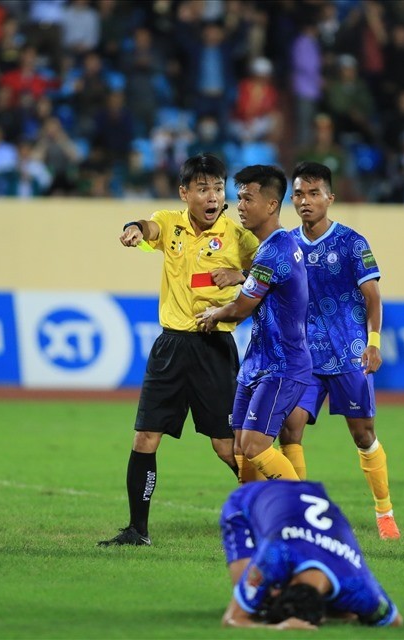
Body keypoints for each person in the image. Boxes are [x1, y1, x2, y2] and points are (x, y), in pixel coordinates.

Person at [98, 154, 259, 547]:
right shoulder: (170, 223)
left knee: (227, 446)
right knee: (145, 438)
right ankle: (138, 529)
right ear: (184, 193)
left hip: (215, 348)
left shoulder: (238, 237)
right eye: (203, 188)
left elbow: (276, 273)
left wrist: (241, 275)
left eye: (218, 188)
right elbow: (147, 226)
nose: (213, 196)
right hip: (171, 346)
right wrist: (132, 229)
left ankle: (267, 516)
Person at [278, 161, 400, 540]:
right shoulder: (286, 244)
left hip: (349, 354)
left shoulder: (352, 242)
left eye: (314, 193)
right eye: (299, 193)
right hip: (304, 358)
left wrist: (374, 343)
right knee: (289, 429)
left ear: (329, 197)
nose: (305, 200)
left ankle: (384, 513)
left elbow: (373, 297)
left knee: (363, 435)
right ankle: (300, 514)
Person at [196, 165, 312, 483]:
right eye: (239, 198)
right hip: (257, 364)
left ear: (271, 205)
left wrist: (214, 313)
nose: (240, 206)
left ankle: (303, 514)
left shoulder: (274, 250)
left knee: (255, 446)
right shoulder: (273, 247)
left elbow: (242, 307)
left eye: (248, 199)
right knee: (240, 447)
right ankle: (256, 521)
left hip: (282, 366)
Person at [219, 480, 402, 629]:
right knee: (255, 605)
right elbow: (232, 619)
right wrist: (278, 628)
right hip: (247, 500)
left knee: (257, 598)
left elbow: (394, 621)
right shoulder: (275, 555)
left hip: (305, 497)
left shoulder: (360, 585)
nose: (274, 590)